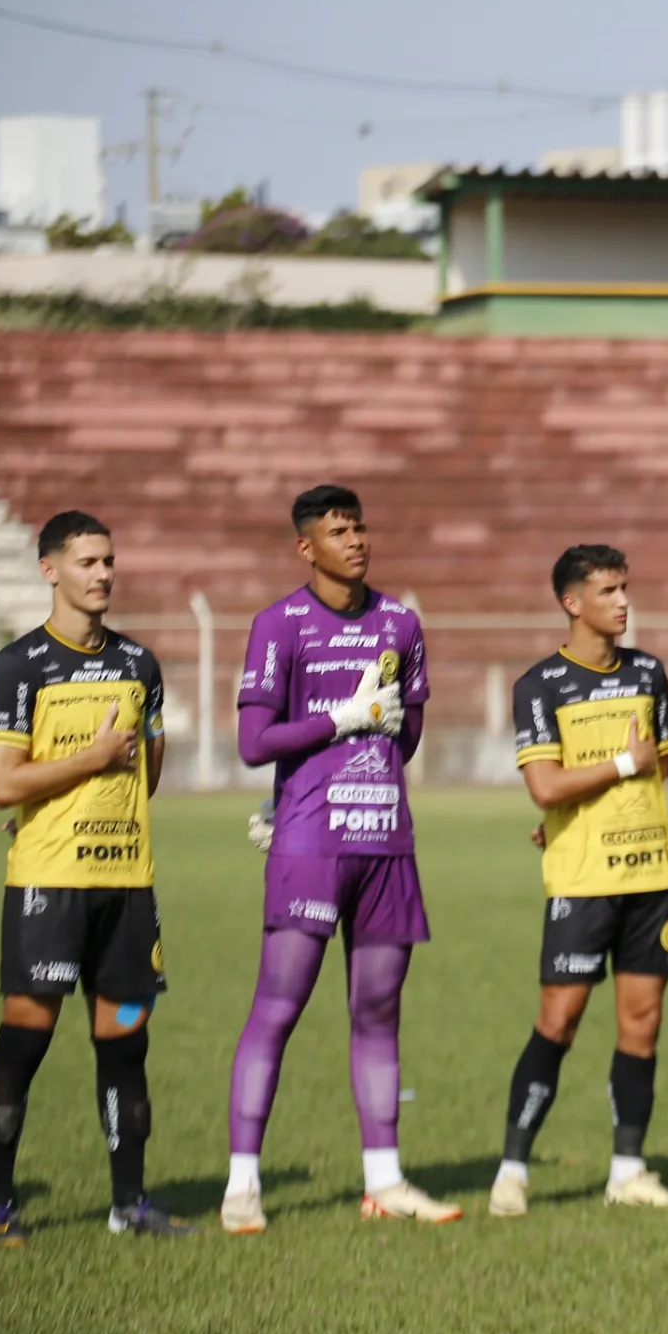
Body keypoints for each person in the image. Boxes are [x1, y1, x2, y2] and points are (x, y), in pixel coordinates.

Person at [224, 484, 449, 1231]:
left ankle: (384, 1181)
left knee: (379, 1011)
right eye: (338, 530)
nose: (356, 540)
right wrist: (340, 720)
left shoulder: (401, 622)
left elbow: (405, 735)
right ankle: (242, 1186)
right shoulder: (278, 625)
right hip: (311, 844)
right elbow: (255, 744)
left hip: (386, 841)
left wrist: (373, 731)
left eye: (359, 527)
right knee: (278, 1008)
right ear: (305, 547)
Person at [0, 511, 194, 1241]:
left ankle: (130, 1204)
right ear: (50, 570)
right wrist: (90, 762)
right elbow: (4, 784)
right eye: (87, 562)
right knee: (26, 1038)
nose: (103, 574)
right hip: (48, 884)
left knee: (126, 1042)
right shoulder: (19, 666)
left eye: (109, 561)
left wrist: (106, 780)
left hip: (128, 886)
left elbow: (149, 770)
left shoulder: (140, 664)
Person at [488, 546, 668, 1217]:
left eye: (625, 588)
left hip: (652, 878)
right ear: (572, 603)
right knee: (560, 1021)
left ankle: (628, 1171)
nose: (622, 601)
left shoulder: (647, 671)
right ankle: (512, 1171)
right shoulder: (541, 684)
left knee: (642, 1025)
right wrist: (620, 764)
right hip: (581, 882)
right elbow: (543, 785)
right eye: (607, 591)